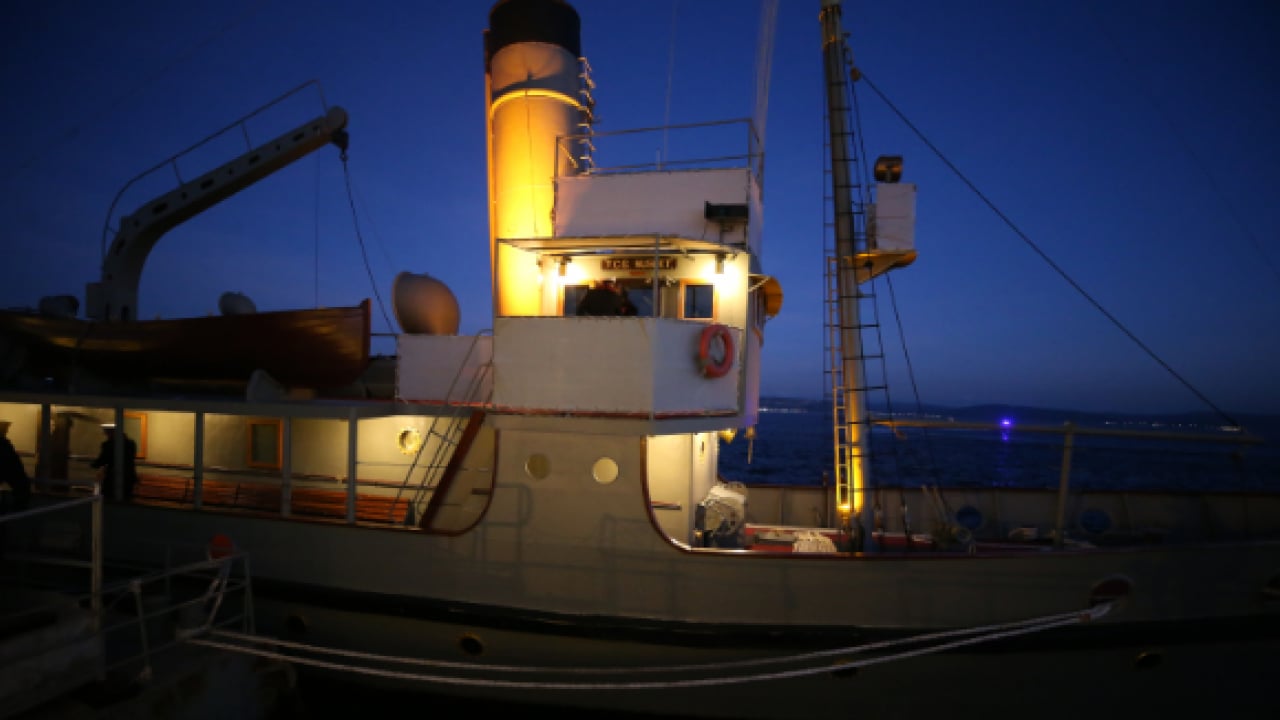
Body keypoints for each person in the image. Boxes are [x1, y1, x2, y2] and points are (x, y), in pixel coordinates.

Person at [90, 424, 138, 500]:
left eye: (107, 433)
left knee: (108, 498)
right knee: (126, 499)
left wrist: (93, 464)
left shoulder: (108, 445)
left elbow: (102, 460)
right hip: (128, 478)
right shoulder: (131, 443)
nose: (106, 435)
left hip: (113, 477)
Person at [0, 420, 31, 512]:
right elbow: (12, 465)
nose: (7, 431)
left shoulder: (4, 445)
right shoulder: (4, 445)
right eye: (5, 429)